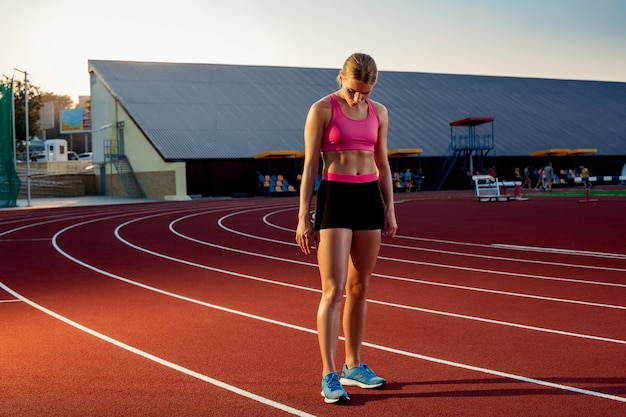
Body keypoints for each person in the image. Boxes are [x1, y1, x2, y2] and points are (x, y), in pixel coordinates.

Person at [295, 53, 398, 404]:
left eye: (366, 93)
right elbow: (310, 168)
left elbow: (382, 163)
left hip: (368, 197)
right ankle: (328, 373)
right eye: (354, 91)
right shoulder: (322, 110)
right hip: (335, 197)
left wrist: (389, 208)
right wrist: (302, 217)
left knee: (360, 286)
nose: (359, 99)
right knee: (333, 289)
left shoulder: (379, 112)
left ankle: (353, 365)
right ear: (341, 78)